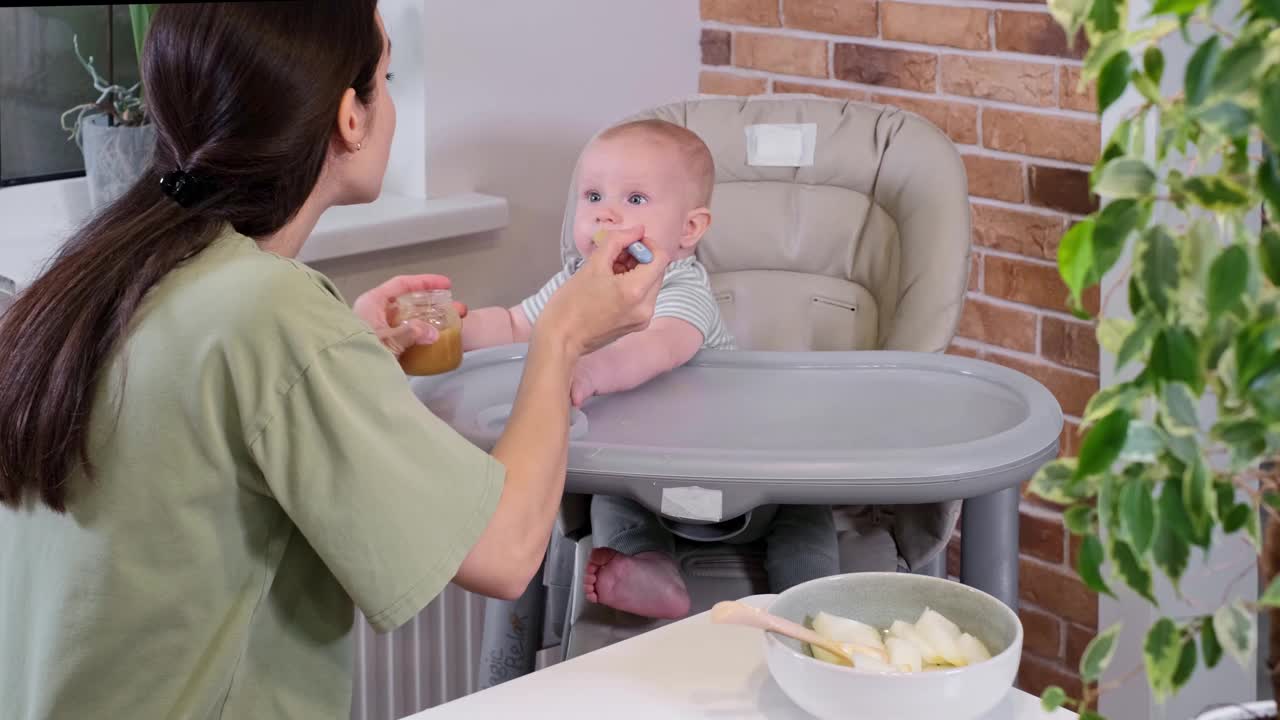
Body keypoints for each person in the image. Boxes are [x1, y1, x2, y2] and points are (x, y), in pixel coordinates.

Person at [0, 4, 667, 719]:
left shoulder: (104, 277)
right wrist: (563, 335)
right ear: (351, 117)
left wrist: (341, 349)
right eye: (387, 76)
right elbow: (506, 553)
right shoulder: (269, 315)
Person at [462, 119, 838, 620]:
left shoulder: (682, 288)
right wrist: (454, 330)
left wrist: (590, 372)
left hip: (747, 483)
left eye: (635, 200)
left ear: (689, 229)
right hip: (643, 478)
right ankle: (652, 569)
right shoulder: (578, 283)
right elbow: (513, 324)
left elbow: (657, 347)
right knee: (612, 504)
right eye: (593, 196)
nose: (608, 214)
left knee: (808, 511)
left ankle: (812, 605)